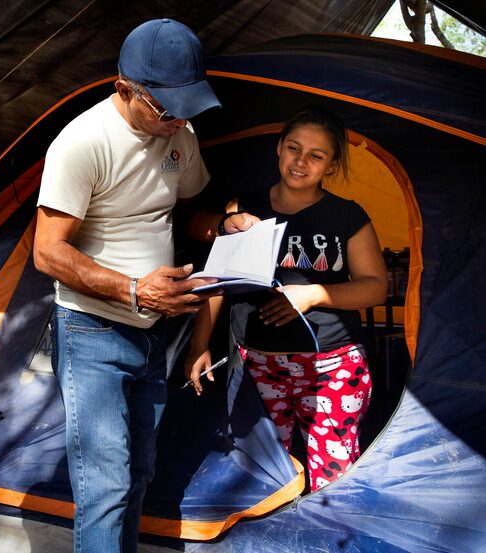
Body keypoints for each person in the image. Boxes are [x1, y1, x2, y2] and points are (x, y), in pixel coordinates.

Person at [33, 18, 221, 553]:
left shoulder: (180, 133)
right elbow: (46, 251)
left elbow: (189, 214)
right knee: (105, 486)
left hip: (150, 334)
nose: (179, 119)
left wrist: (225, 226)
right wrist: (136, 290)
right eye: (167, 109)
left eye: (188, 105)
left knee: (139, 472)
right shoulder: (82, 143)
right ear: (124, 89)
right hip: (91, 330)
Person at [186, 107, 388, 491]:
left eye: (316, 155)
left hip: (333, 366)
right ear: (279, 149)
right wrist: (199, 344)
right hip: (259, 364)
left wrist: (313, 294)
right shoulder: (242, 209)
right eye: (294, 148)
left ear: (331, 165)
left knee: (333, 476)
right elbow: (217, 281)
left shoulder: (346, 216)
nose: (301, 162)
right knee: (260, 475)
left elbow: (376, 286)